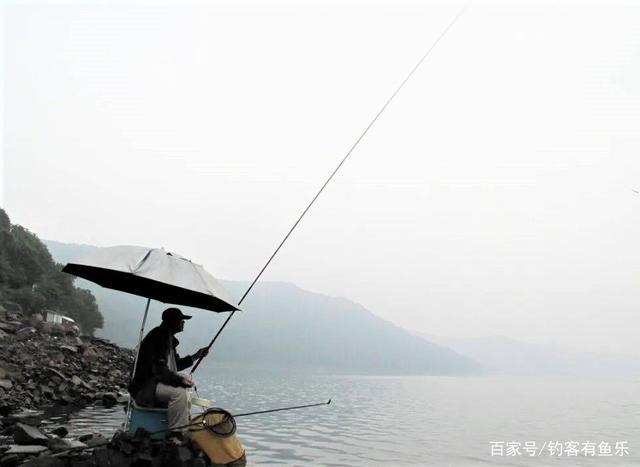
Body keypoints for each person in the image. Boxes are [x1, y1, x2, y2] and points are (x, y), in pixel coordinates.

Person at [128, 307, 209, 432]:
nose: (183, 323)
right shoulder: (158, 338)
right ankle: (177, 432)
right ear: (173, 322)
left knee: (185, 376)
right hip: (145, 387)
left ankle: (181, 419)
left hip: (154, 381)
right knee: (179, 393)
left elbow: (176, 365)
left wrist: (196, 356)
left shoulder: (168, 338)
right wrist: (178, 381)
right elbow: (159, 370)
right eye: (181, 320)